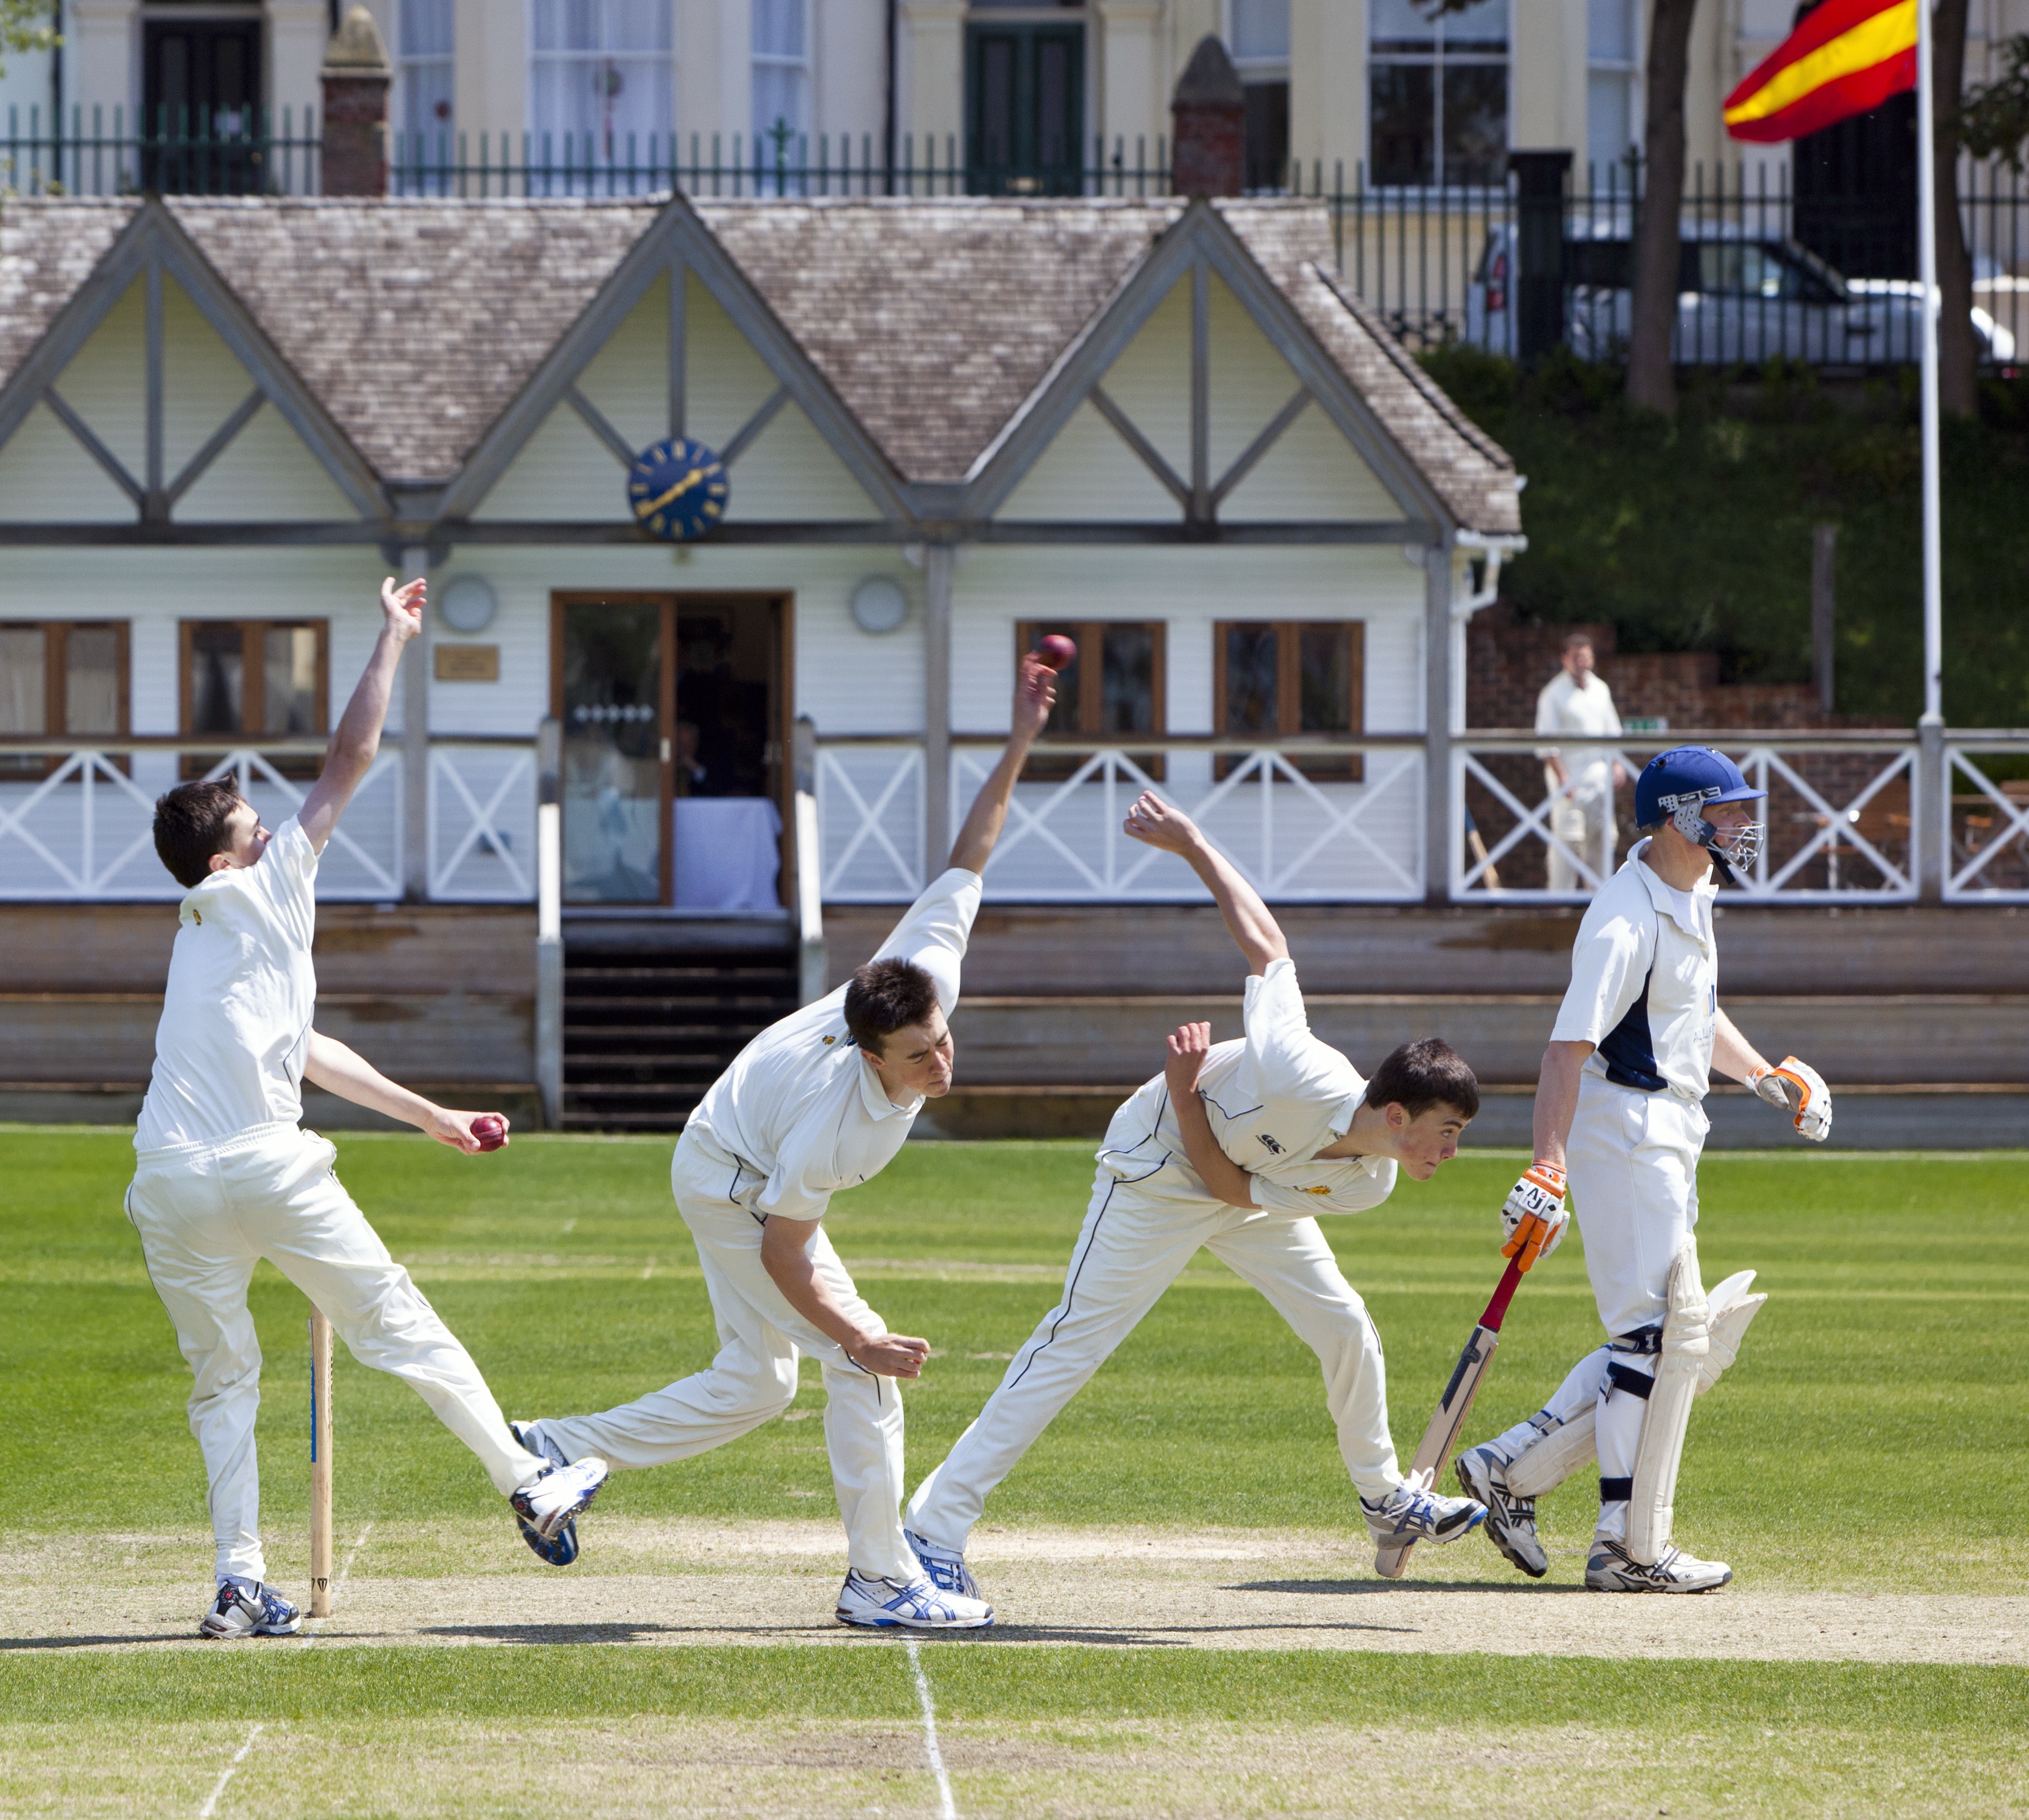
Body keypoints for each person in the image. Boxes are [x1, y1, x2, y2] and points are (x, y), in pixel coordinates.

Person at [515, 649, 1059, 1631]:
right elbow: (782, 1247)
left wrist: (1020, 737)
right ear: (869, 1053)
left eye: (940, 1041)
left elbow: (967, 857)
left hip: (722, 1148)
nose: (941, 1063)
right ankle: (878, 1580)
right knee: (858, 1365)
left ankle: (553, 1446)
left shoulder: (920, 977)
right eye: (917, 1057)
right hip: (738, 1182)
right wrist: (857, 1337)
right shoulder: (832, 1122)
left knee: (758, 1382)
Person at [126, 575, 604, 1640]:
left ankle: (238, 1582)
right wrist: (392, 636)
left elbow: (304, 1051)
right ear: (225, 857)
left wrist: (429, 1115)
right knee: (396, 1323)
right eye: (257, 829)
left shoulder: (200, 935)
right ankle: (527, 1479)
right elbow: (349, 758)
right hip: (262, 1165)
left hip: (167, 1181)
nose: (278, 835)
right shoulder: (264, 886)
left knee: (222, 1383)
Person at [900, 791, 1488, 1603]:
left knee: (1344, 1324)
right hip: (1154, 1165)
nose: (1451, 1151)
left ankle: (1383, 1496)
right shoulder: (1296, 1067)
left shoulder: (1370, 1180)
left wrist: (1190, 1093)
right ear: (1395, 1114)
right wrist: (1192, 842)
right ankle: (931, 1529)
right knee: (1072, 1343)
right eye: (1445, 1131)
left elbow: (1232, 1191)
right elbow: (1267, 946)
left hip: (1233, 1183)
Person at [1456, 747, 1822, 1593]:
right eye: (1726, 810)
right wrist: (1546, 1164)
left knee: (1655, 1337)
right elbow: (1564, 1050)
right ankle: (1622, 1545)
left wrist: (1761, 1075)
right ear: (1676, 817)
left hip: (1667, 1127)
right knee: (1657, 1338)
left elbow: (1690, 1011)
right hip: (1623, 1127)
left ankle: (1507, 1469)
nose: (1742, 823)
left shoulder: (1689, 892)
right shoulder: (1624, 917)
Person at [1537, 633, 1629, 891]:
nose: (1582, 663)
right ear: (1565, 660)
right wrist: (1562, 777)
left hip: (1599, 780)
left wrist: (1618, 765)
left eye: (1586, 657)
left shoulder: (1601, 689)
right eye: (1576, 657)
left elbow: (1613, 732)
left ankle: (1599, 900)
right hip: (1569, 780)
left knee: (1603, 840)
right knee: (1568, 842)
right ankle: (1560, 901)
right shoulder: (1553, 694)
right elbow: (1547, 743)